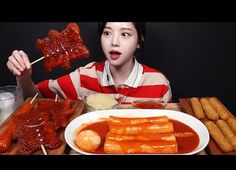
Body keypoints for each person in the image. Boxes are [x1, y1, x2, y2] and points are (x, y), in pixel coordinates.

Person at [6, 22, 172, 104]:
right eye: (107, 33)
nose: (114, 42)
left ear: (139, 41)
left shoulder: (159, 84)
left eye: (125, 34)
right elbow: (35, 99)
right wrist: (24, 77)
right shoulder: (84, 76)